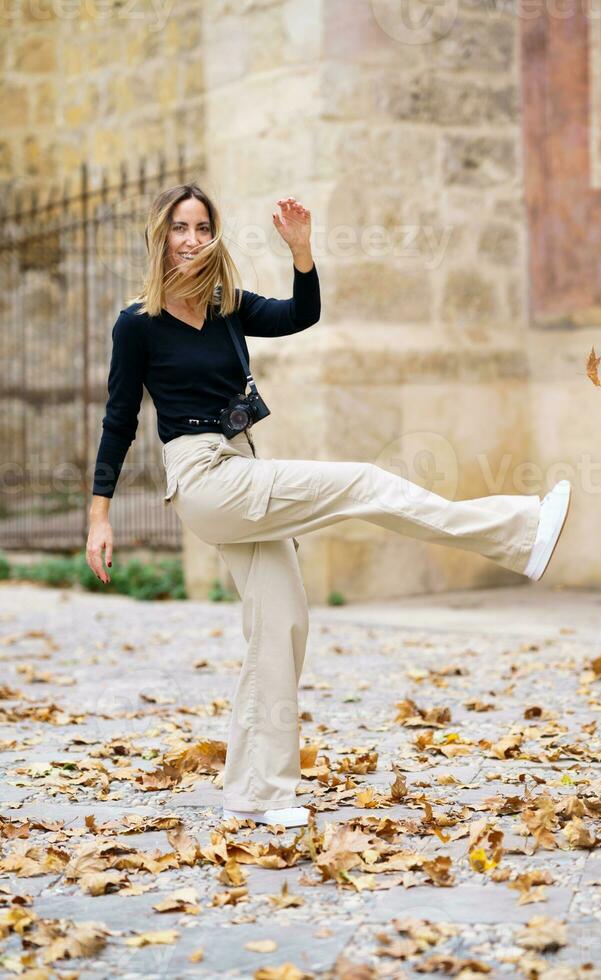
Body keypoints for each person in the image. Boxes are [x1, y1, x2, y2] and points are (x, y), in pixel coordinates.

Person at [86, 183, 572, 829]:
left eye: (203, 227)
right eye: (180, 227)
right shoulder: (137, 322)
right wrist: (99, 515)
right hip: (202, 475)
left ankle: (258, 791)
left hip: (241, 463)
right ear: (160, 235)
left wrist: (303, 251)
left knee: (280, 624)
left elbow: (299, 316)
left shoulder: (226, 305)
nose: (193, 239)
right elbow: (119, 418)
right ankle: (519, 531)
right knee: (363, 482)